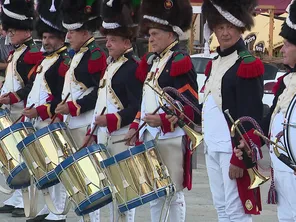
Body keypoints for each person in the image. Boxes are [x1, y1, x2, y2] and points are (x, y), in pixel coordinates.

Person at [125, 0, 199, 221]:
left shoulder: (180, 60)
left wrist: (164, 121)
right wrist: (134, 127)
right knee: (154, 194)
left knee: (173, 194)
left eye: (155, 33)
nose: (151, 38)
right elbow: (144, 101)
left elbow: (191, 108)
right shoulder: (152, 61)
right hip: (149, 134)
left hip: (171, 137)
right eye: (150, 34)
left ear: (171, 34)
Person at [201, 0, 265, 221]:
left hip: (232, 151)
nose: (225, 32)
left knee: (236, 211)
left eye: (230, 27)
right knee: (221, 208)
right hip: (212, 146)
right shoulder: (214, 62)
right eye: (220, 27)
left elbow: (251, 116)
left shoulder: (247, 63)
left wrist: (241, 158)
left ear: (240, 28)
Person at [235, 1, 296, 221]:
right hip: (282, 172)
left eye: (288, 44)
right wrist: (250, 142)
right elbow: (270, 120)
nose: (282, 49)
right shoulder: (286, 83)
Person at [83, 0, 142, 221]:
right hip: (104, 134)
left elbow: (137, 106)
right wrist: (93, 130)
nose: (107, 44)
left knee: (125, 190)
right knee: (110, 188)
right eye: (107, 40)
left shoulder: (132, 68)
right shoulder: (111, 65)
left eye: (113, 40)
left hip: (121, 136)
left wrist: (109, 120)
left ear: (127, 42)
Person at [23, 0, 70, 221]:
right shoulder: (46, 59)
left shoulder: (63, 61)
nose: (46, 41)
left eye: (51, 37)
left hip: (53, 120)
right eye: (45, 37)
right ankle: (49, 205)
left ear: (62, 38)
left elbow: (63, 96)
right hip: (39, 120)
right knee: (45, 165)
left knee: (58, 166)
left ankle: (58, 209)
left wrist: (41, 112)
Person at [0, 0, 43, 218]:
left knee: (24, 159)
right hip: (11, 111)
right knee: (14, 158)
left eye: (11, 31)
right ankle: (17, 197)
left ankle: (24, 200)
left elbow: (33, 85)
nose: (8, 34)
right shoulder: (16, 52)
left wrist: (11, 97)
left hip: (22, 111)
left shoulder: (33, 53)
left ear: (24, 31)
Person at [55, 0, 107, 148]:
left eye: (71, 32)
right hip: (70, 124)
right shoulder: (76, 55)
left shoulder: (95, 55)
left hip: (85, 124)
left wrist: (74, 107)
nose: (67, 37)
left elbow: (100, 91)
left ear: (84, 33)